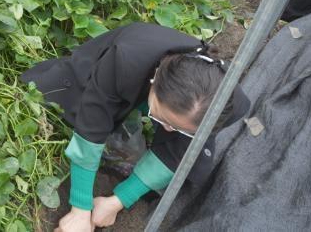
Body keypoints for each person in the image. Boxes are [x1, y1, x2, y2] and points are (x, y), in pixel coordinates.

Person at [22, 23, 249, 232]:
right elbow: (91, 128)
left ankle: (171, 120)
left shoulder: (229, 104)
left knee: (190, 151)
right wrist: (80, 210)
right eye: (161, 118)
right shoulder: (124, 59)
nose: (168, 129)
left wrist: (117, 201)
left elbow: (178, 153)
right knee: (64, 100)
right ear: (155, 80)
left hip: (169, 100)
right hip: (111, 72)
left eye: (178, 127)